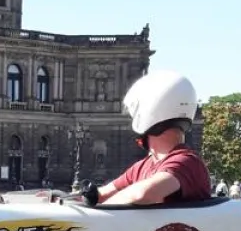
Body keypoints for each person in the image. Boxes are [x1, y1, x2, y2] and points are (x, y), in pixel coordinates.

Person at [81, 70, 211, 207]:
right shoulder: (143, 166)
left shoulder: (186, 162)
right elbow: (101, 194)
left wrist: (96, 212)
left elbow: (143, 194)